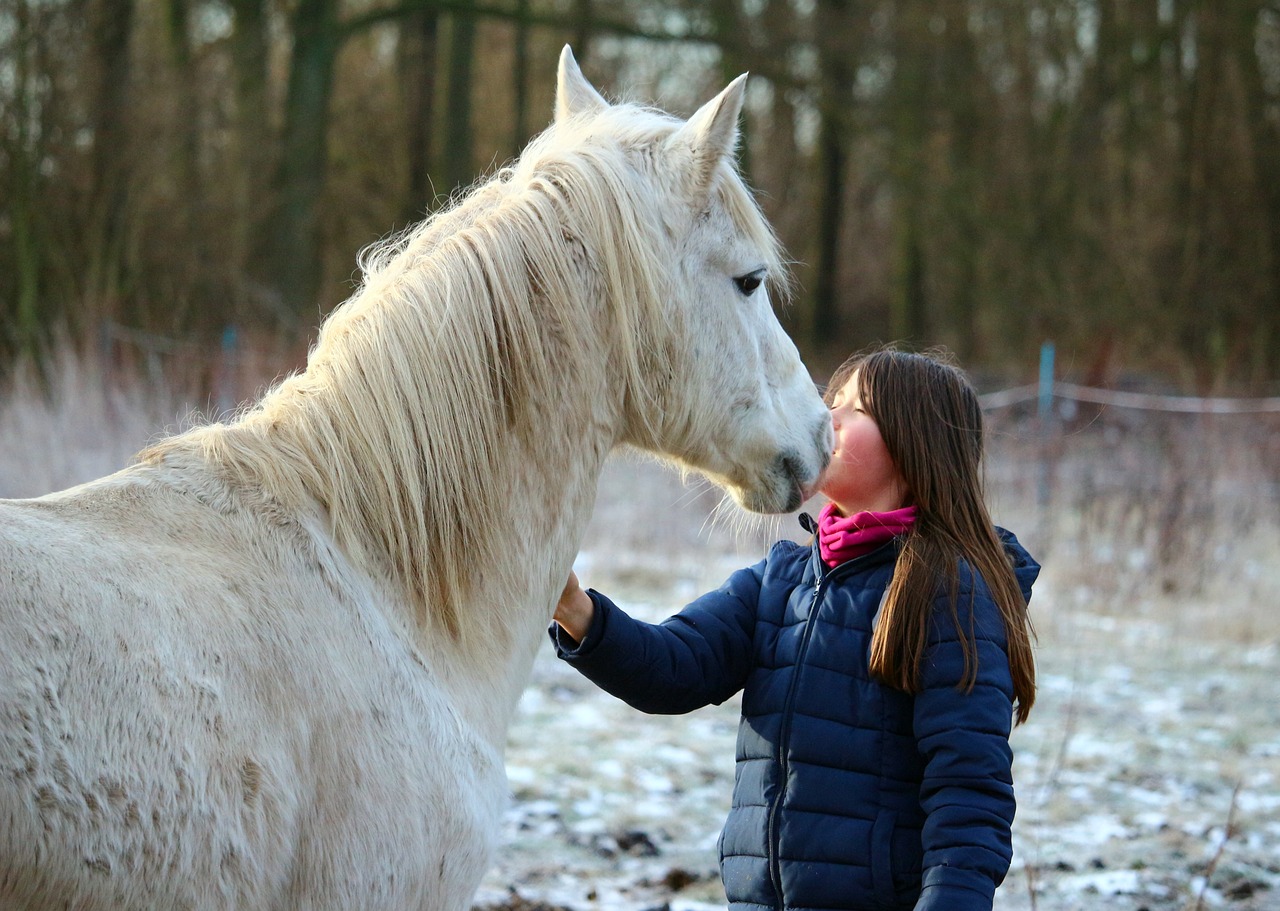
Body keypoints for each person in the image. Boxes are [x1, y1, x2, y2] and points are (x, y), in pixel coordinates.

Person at [550, 345, 1039, 911]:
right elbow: (674, 668)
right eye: (832, 400)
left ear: (915, 447)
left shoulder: (950, 595)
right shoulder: (780, 580)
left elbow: (968, 795)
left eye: (857, 410)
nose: (826, 416)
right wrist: (576, 610)